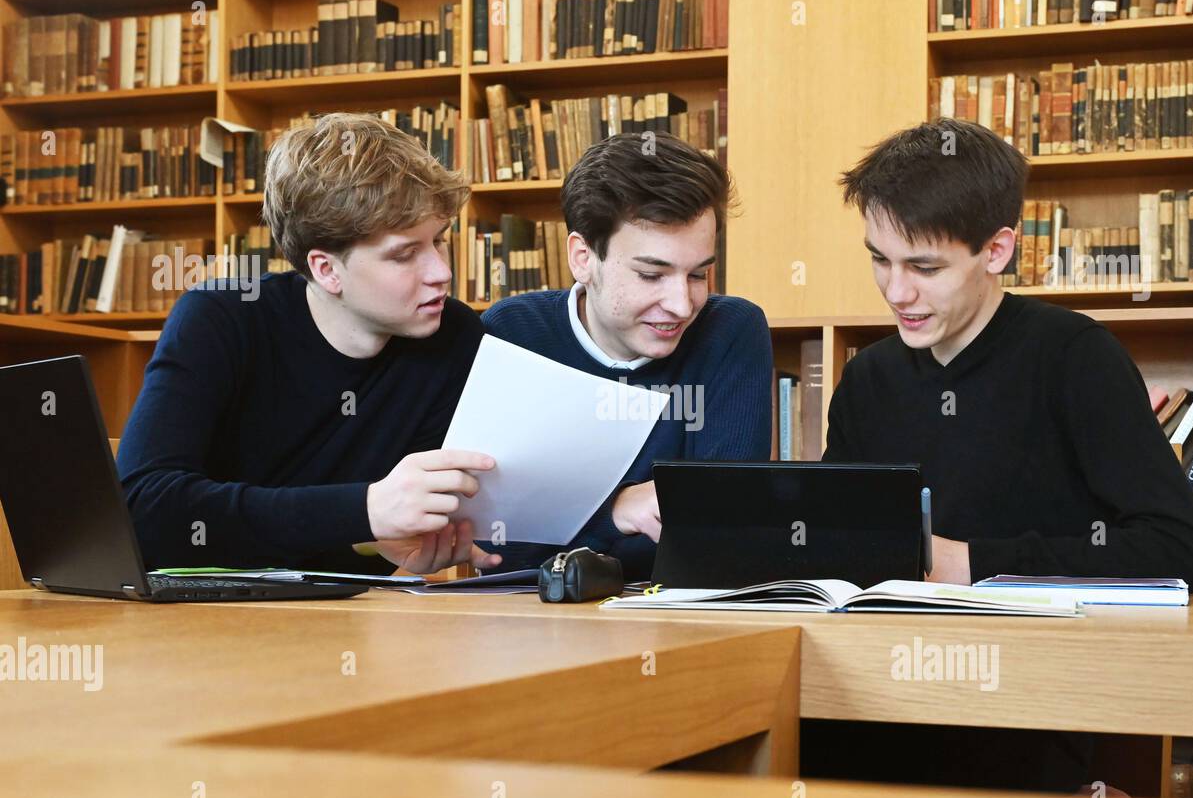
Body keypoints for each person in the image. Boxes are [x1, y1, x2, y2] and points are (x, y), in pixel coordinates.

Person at [806, 117, 1193, 793]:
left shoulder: (1076, 358)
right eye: (879, 259)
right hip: (871, 694)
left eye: (924, 267)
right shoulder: (869, 379)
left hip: (1028, 705)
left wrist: (973, 563)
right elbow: (838, 539)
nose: (895, 291)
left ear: (997, 250)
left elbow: (1180, 549)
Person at [117, 112, 501, 577]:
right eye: (405, 254)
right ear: (326, 270)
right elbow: (142, 508)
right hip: (194, 621)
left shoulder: (455, 337)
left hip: (345, 621)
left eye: (438, 241)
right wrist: (364, 510)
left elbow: (372, 538)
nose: (441, 271)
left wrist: (375, 543)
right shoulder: (221, 319)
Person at [481, 132, 772, 578]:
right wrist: (616, 510)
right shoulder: (513, 333)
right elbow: (501, 547)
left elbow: (721, 530)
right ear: (583, 258)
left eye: (698, 274)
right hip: (535, 620)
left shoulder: (731, 331)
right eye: (651, 275)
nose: (681, 304)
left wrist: (572, 514)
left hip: (685, 616)